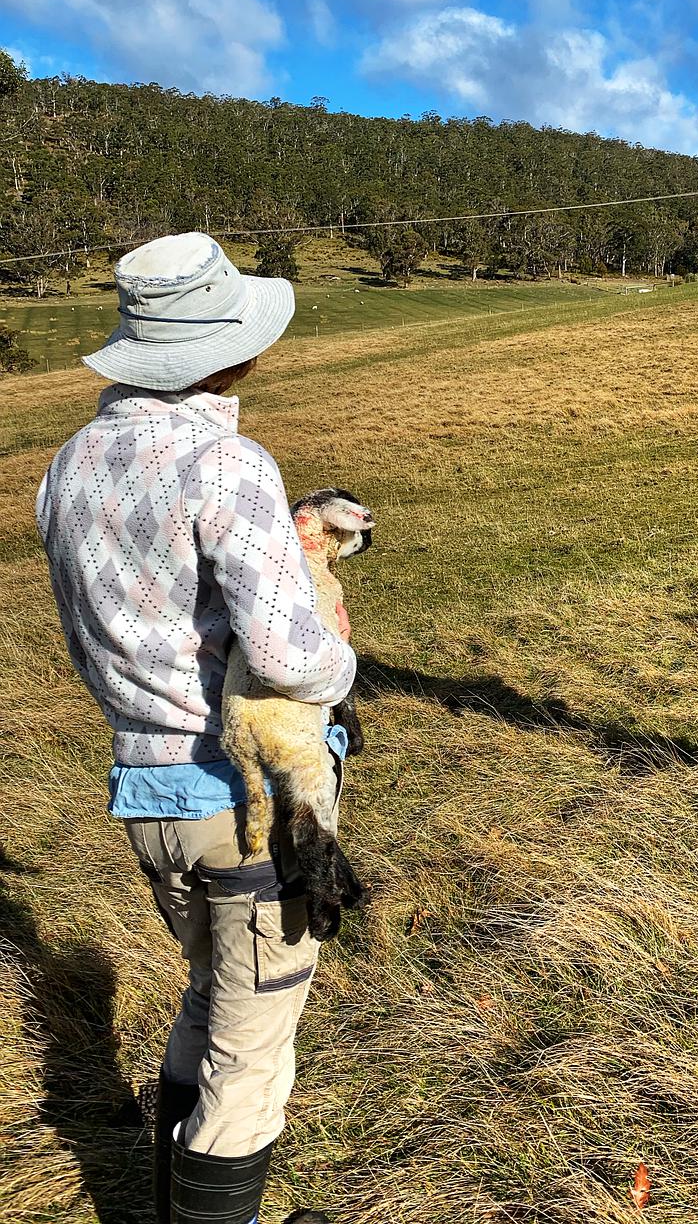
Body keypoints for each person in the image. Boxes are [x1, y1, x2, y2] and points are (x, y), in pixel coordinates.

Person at [35, 233, 358, 1223]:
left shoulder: (68, 466)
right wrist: (343, 657)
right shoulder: (227, 463)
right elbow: (287, 653)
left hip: (145, 791)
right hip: (246, 807)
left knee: (209, 995)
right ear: (229, 350)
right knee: (252, 1054)